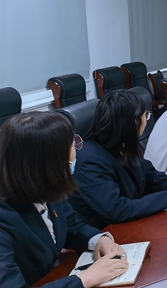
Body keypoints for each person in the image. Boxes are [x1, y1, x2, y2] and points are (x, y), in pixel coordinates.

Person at [0, 112, 129, 287]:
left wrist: (99, 240)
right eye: (71, 145)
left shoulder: (45, 189)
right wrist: (85, 279)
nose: (76, 150)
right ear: (45, 167)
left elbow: (71, 225)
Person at [68, 90, 167, 230]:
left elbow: (148, 172)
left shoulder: (123, 143)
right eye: (145, 115)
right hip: (108, 233)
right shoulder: (89, 160)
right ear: (131, 123)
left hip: (133, 223)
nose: (146, 120)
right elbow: (116, 209)